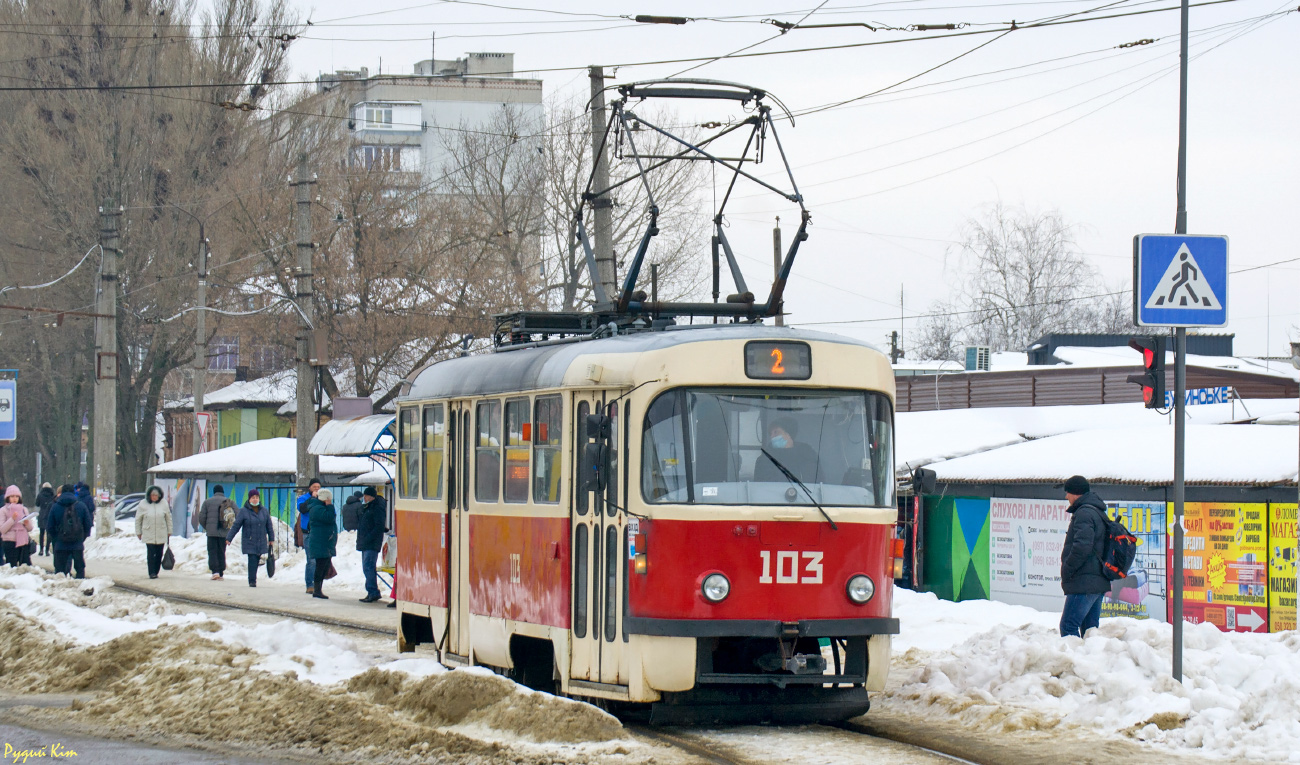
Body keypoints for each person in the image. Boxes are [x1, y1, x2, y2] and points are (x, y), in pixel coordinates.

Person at [1059, 475, 1111, 638]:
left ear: (1075, 493)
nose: (1066, 496)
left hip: (1084, 581)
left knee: (1068, 626)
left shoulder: (1084, 513)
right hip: (1096, 580)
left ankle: (1074, 662)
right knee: (1090, 632)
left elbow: (1082, 546)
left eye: (1067, 492)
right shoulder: (1097, 511)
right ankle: (1091, 661)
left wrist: (1067, 568)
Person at [226, 489, 275, 588]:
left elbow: (269, 525)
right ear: (249, 499)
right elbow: (236, 525)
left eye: (257, 498)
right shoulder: (244, 511)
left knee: (256, 559)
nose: (255, 500)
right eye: (253, 498)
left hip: (261, 539)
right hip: (249, 540)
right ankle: (252, 581)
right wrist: (229, 538)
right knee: (252, 559)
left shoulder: (264, 511)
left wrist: (271, 538)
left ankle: (253, 578)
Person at [754, 417, 818, 484]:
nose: (772, 436)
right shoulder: (764, 460)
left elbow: (815, 482)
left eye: (776, 432)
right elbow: (760, 486)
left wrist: (788, 451)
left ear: (788, 434)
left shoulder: (808, 456)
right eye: (771, 434)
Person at [49, 484, 92, 578]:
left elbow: (50, 527)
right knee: (80, 569)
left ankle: (60, 590)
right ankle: (80, 587)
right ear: (74, 492)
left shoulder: (55, 507)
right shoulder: (81, 506)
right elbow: (88, 524)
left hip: (60, 544)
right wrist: (81, 537)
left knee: (60, 572)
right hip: (77, 544)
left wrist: (57, 538)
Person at [192, 485, 231, 580]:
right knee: (221, 551)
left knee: (212, 551)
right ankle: (221, 571)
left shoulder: (207, 502)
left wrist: (208, 527)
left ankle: (215, 572)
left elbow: (201, 517)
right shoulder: (228, 502)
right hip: (223, 532)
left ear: (214, 491)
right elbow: (233, 516)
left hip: (211, 532)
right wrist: (227, 528)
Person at [356, 487, 388, 603]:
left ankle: (373, 592)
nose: (364, 498)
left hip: (371, 542)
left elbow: (378, 526)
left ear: (371, 496)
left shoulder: (376, 508)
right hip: (367, 542)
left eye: (366, 495)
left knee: (368, 567)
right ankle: (371, 591)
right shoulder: (368, 507)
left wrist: (368, 537)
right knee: (367, 567)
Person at [306, 488, 338, 600]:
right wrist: (329, 506)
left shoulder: (318, 507)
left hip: (324, 541)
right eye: (329, 499)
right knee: (320, 566)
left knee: (323, 565)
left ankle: (318, 589)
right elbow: (329, 518)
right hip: (321, 542)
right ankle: (317, 590)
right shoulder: (317, 508)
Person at [135, 486, 171, 579]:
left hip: (161, 532)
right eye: (152, 495)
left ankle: (156, 570)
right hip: (148, 532)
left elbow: (168, 518)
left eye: (156, 495)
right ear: (149, 495)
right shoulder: (143, 504)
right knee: (151, 553)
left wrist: (169, 530)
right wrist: (138, 532)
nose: (154, 497)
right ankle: (151, 572)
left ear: (159, 496)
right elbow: (138, 519)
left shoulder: (164, 504)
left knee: (159, 553)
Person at [296, 478, 322, 594]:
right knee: (311, 559)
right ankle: (310, 584)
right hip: (308, 532)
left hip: (319, 532)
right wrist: (312, 498)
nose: (316, 489)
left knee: (320, 559)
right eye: (314, 487)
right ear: (310, 487)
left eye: (318, 487)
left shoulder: (322, 498)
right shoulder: (303, 498)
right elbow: (302, 509)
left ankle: (318, 584)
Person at [1, 486, 34, 567]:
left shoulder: (24, 509)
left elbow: (30, 528)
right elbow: (2, 529)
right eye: (12, 496)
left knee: (26, 566)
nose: (15, 499)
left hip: (23, 542)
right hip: (10, 542)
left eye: (17, 496)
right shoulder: (3, 510)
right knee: (12, 566)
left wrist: (26, 523)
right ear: (7, 497)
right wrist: (12, 519)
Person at [35, 482, 55, 556]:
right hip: (49, 514)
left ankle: (41, 550)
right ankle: (47, 550)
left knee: (41, 533)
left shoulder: (40, 495)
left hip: (42, 514)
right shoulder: (52, 495)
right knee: (49, 533)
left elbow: (37, 504)